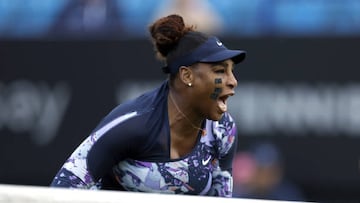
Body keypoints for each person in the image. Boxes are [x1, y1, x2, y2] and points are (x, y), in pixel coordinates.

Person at [50, 14, 246, 197]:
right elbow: (61, 191)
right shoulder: (132, 124)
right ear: (187, 76)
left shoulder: (223, 130)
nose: (233, 81)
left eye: (232, 71)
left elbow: (221, 199)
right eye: (220, 71)